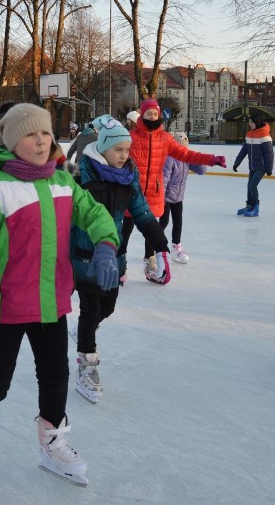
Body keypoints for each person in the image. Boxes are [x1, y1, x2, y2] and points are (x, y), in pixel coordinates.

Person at [0, 103, 120, 502]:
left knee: (55, 377)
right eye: (30, 135)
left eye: (45, 134)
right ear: (11, 142)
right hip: (4, 307)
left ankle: (53, 443)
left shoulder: (63, 181)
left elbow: (94, 215)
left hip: (51, 303)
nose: (41, 141)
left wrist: (107, 244)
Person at [71, 117, 169, 403]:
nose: (124, 154)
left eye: (127, 149)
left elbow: (141, 212)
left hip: (112, 255)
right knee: (90, 311)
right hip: (84, 256)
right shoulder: (83, 177)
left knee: (109, 306)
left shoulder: (128, 176)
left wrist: (159, 242)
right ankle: (87, 366)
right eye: (118, 149)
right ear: (103, 149)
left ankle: (82, 332)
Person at [121, 98, 226, 283]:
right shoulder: (131, 137)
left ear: (159, 115)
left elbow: (186, 154)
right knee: (125, 231)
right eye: (148, 113)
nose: (152, 117)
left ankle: (150, 261)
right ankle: (119, 265)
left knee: (151, 231)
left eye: (155, 114)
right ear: (142, 115)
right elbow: (117, 157)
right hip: (131, 193)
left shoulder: (165, 139)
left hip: (153, 194)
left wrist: (211, 159)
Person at [161, 131, 206, 263]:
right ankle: (154, 245)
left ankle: (176, 249)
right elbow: (164, 178)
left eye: (185, 147)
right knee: (163, 222)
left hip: (178, 197)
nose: (183, 149)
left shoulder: (186, 159)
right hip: (166, 197)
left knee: (178, 222)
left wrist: (198, 157)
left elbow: (201, 171)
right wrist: (160, 196)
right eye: (180, 147)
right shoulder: (169, 159)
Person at [232, 113, 274, 217]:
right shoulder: (249, 134)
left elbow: (269, 154)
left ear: (257, 122)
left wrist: (269, 168)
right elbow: (244, 151)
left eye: (251, 121)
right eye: (249, 121)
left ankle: (255, 207)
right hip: (252, 166)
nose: (249, 123)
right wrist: (236, 163)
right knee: (249, 185)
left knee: (252, 185)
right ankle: (249, 205)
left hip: (262, 167)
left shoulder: (265, 135)